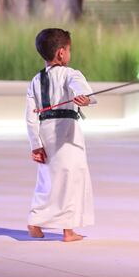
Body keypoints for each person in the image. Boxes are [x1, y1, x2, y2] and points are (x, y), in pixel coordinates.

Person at [25, 28, 96, 242]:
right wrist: (85, 98)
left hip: (46, 133)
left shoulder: (36, 80)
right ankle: (69, 231)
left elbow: (30, 116)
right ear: (62, 53)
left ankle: (35, 222)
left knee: (48, 179)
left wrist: (35, 144)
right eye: (69, 49)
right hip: (67, 134)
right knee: (72, 178)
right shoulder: (70, 73)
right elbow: (80, 89)